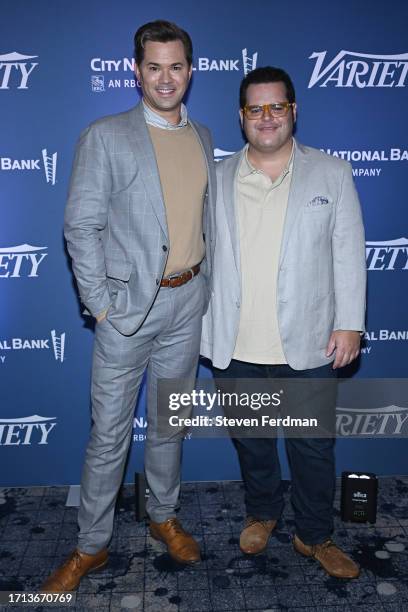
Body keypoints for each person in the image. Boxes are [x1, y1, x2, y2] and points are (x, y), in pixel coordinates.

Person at [42, 20, 215, 592]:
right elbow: (80, 226)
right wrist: (101, 306)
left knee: (171, 426)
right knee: (110, 434)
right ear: (136, 71)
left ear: (190, 71)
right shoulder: (106, 134)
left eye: (176, 67)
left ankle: (164, 516)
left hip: (187, 305)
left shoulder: (203, 137)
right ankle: (91, 545)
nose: (166, 78)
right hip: (127, 314)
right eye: (154, 67)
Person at [201, 66, 366, 579]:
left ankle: (314, 534)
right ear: (241, 116)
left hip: (311, 340)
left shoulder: (332, 173)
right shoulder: (217, 175)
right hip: (237, 342)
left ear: (293, 111)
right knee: (252, 441)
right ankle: (263, 512)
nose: (267, 117)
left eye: (277, 106)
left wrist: (350, 323)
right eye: (256, 108)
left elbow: (348, 255)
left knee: (312, 446)